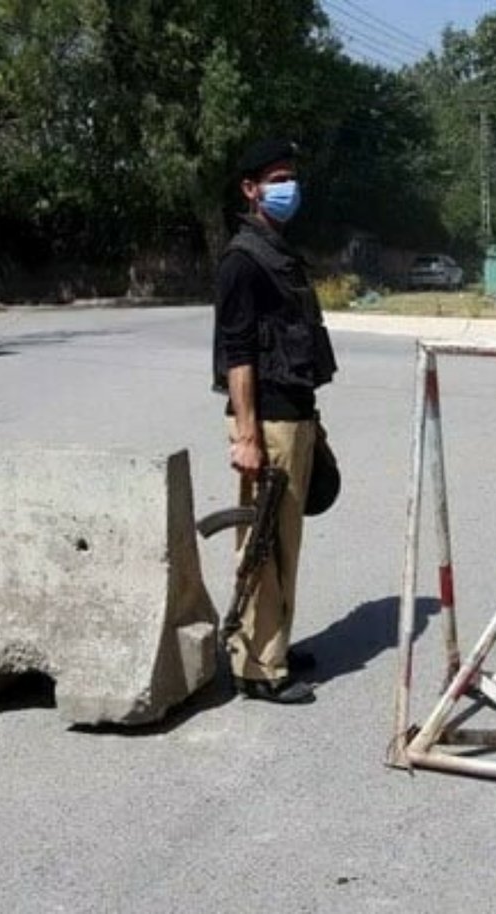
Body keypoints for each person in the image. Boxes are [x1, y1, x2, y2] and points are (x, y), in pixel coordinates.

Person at [211, 138, 338, 705]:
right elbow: (238, 354)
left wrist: (313, 420)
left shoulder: (278, 252)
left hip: (296, 413)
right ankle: (259, 668)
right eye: (277, 178)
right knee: (262, 544)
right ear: (250, 189)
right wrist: (245, 436)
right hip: (266, 424)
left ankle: (274, 643)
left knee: (287, 541)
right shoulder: (243, 259)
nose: (288, 188)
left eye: (291, 176)